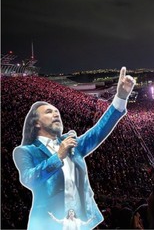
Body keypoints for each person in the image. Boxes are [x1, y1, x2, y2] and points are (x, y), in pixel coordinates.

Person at [13, 67, 135, 230]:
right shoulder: (25, 151)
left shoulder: (70, 143)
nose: (56, 114)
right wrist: (58, 156)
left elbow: (97, 133)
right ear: (36, 123)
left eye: (57, 112)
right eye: (49, 112)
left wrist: (120, 97)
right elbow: (29, 179)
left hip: (83, 224)